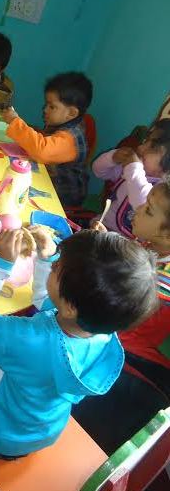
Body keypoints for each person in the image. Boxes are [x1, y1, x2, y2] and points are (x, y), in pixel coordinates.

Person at [0, 228, 157, 459]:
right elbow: (48, 301)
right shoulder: (100, 332)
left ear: (71, 306)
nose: (54, 264)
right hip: (39, 430)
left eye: (57, 267)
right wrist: (47, 256)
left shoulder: (30, 340)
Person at [73, 183, 170, 454]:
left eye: (149, 211)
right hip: (116, 333)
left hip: (122, 353)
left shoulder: (162, 283)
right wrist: (108, 244)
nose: (137, 209)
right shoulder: (148, 245)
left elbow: (118, 319)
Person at [3, 72, 93, 207]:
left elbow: (41, 150)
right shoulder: (66, 123)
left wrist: (15, 122)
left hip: (61, 198)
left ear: (71, 113)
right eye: (46, 104)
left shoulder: (70, 139)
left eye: (52, 106)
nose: (45, 110)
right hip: (49, 179)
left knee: (10, 190)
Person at [91, 119, 170, 238]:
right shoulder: (131, 168)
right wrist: (112, 157)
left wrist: (133, 168)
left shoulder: (162, 192)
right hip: (98, 226)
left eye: (152, 148)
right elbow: (98, 171)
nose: (141, 148)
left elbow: (141, 202)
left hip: (124, 248)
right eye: (145, 141)